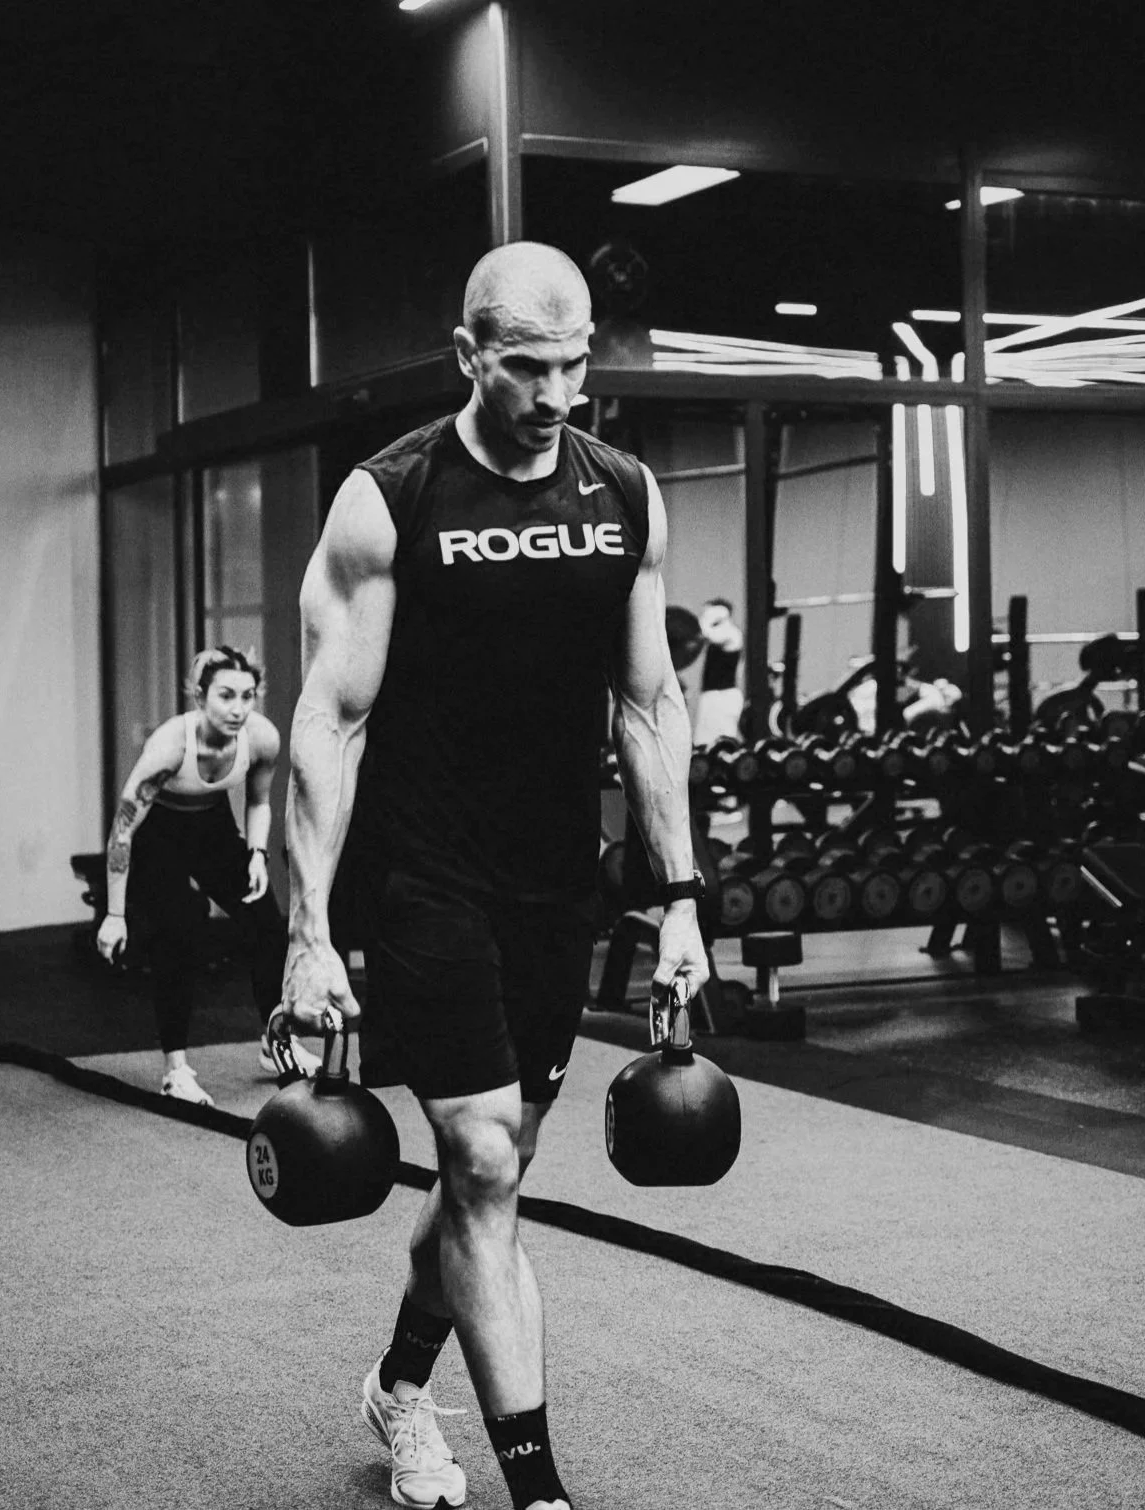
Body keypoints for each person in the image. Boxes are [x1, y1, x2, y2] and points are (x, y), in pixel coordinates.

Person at [280, 241, 710, 1510]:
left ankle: (399, 1385)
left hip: (553, 885)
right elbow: (330, 719)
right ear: (469, 354)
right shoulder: (390, 499)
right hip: (424, 873)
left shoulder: (624, 494)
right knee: (475, 1157)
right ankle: (541, 1491)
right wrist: (309, 928)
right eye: (528, 367)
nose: (557, 394)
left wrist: (681, 904)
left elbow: (649, 705)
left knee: (498, 1167)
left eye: (576, 365)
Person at [96, 646, 317, 1104]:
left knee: (265, 924)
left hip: (213, 828)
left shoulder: (262, 738)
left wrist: (256, 855)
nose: (238, 709)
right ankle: (175, 1070)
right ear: (200, 697)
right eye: (226, 696)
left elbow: (259, 801)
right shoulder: (169, 747)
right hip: (159, 834)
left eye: (247, 696)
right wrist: (114, 916)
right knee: (179, 933)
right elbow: (122, 832)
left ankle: (275, 1040)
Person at [693, 597, 744, 746]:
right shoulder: (718, 634)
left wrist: (710, 617)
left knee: (722, 744)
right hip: (711, 697)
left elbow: (706, 632)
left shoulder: (731, 634)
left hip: (724, 697)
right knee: (704, 743)